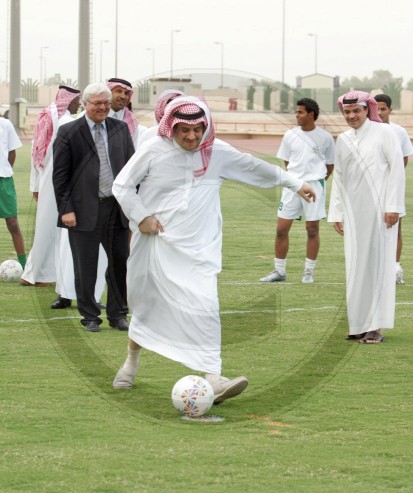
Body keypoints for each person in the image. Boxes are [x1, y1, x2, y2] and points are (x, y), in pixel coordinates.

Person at [111, 95, 316, 404]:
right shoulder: (153, 149)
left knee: (206, 305)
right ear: (171, 128)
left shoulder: (216, 151)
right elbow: (122, 186)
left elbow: (253, 167)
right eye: (185, 131)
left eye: (198, 130)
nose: (193, 137)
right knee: (145, 305)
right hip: (156, 246)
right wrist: (141, 218)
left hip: (199, 250)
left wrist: (295, 183)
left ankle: (213, 377)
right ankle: (131, 362)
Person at [53, 83, 135, 332]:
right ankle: (90, 316)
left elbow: (132, 169)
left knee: (120, 261)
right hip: (82, 210)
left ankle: (118, 314)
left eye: (106, 103)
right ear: (85, 104)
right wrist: (66, 209)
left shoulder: (120, 129)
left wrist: (133, 206)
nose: (102, 107)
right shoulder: (69, 131)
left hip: (115, 209)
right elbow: (60, 176)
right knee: (85, 265)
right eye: (97, 103)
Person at [328, 90, 405, 344]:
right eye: (347, 112)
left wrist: (393, 206)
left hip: (382, 213)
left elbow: (396, 170)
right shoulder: (343, 140)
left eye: (356, 111)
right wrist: (337, 213)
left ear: (366, 110)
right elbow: (339, 178)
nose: (351, 116)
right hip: (353, 214)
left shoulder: (385, 133)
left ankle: (376, 327)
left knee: (379, 267)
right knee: (356, 267)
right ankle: (359, 324)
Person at [259, 98, 335, 284]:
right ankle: (279, 271)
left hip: (314, 186)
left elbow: (330, 165)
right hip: (292, 186)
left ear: (311, 114)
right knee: (281, 229)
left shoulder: (325, 137)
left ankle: (308, 273)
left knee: (312, 230)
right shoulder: (290, 135)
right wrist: (295, 180)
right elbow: (287, 161)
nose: (297, 115)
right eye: (297, 112)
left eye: (300, 112)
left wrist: (317, 181)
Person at [20, 86, 81, 288]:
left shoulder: (50, 116)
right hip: (59, 176)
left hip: (48, 175)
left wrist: (35, 184)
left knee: (52, 226)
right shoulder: (64, 121)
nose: (78, 104)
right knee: (48, 226)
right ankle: (33, 273)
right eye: (76, 100)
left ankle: (44, 273)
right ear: (68, 101)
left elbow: (35, 154)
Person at [374, 93, 413, 285]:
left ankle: (395, 268)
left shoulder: (399, 132)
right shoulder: (367, 131)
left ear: (390, 109)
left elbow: (403, 160)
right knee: (373, 229)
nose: (380, 113)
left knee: (395, 229)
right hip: (372, 188)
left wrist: (391, 180)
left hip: (393, 188)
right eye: (377, 109)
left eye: (383, 109)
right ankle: (375, 268)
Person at [0, 116, 26, 269]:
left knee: (13, 223)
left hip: (4, 181)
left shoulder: (5, 124)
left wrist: (5, 170)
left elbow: (12, 153)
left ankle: (23, 264)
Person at [106, 77, 146, 148]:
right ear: (108, 93)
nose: (123, 96)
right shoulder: (95, 115)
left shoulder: (133, 123)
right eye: (119, 91)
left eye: (126, 93)